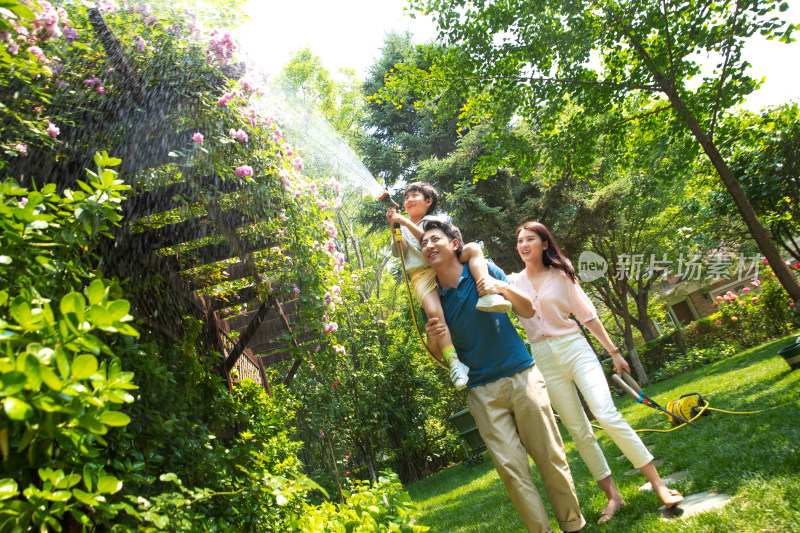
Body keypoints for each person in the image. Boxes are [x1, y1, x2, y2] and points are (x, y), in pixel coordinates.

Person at [507, 220, 684, 524]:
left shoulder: (562, 273)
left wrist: (614, 353)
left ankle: (659, 484)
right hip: (543, 356)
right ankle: (613, 496)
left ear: (545, 243)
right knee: (578, 430)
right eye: (520, 240)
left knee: (605, 412)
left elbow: (587, 314)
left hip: (573, 347)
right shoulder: (512, 282)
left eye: (531, 239)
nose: (524, 245)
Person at [420, 219, 585, 533]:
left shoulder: (483, 269)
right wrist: (432, 337)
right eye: (423, 243)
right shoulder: (433, 300)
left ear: (454, 244)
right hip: (481, 392)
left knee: (550, 456)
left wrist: (502, 287)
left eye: (434, 239)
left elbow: (527, 310)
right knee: (512, 471)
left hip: (521, 376)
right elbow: (438, 351)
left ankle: (572, 524)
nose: (428, 246)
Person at [386, 182, 511, 390]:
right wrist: (395, 225)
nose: (408, 200)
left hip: (445, 262)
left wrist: (405, 224)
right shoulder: (402, 224)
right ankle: (455, 363)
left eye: (414, 196)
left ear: (429, 202)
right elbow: (400, 251)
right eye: (406, 197)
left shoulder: (431, 222)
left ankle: (487, 293)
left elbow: (429, 242)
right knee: (435, 314)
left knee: (472, 250)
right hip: (422, 274)